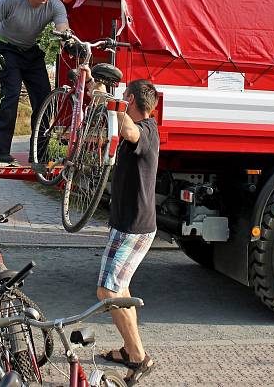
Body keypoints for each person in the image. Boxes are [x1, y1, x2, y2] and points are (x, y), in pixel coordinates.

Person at [94, 77, 159, 386]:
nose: (121, 98)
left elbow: (129, 131)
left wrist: (108, 101)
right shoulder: (145, 131)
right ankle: (128, 350)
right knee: (121, 290)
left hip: (133, 228)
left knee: (107, 291)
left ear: (131, 99)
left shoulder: (145, 130)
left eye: (123, 97)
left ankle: (139, 358)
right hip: (128, 225)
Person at [0, 0, 77, 163]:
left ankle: (39, 154)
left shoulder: (55, 5)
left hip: (30, 52)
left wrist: (67, 41)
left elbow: (62, 29)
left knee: (45, 100)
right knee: (11, 94)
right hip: (6, 48)